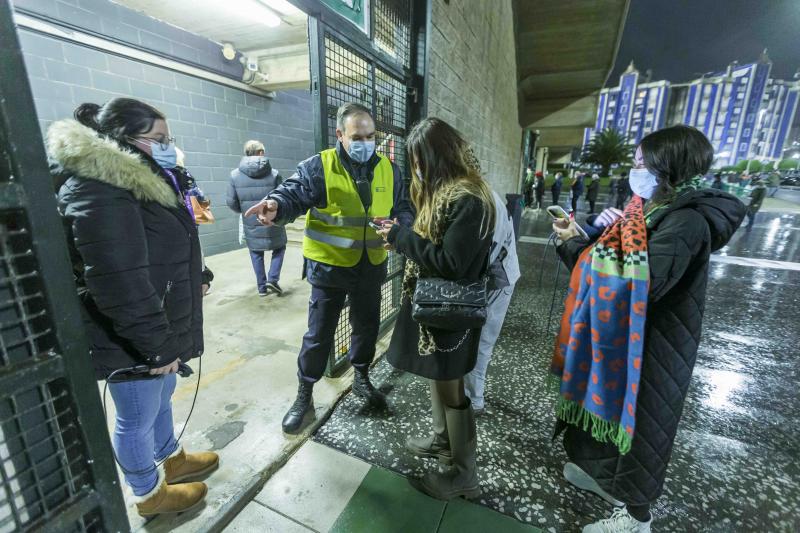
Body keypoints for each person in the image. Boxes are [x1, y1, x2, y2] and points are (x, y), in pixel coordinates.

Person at [551, 125, 745, 532]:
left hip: (655, 348)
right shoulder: (652, 208)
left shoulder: (686, 221)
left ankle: (637, 517)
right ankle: (606, 479)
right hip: (628, 338)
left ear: (666, 167)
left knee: (643, 429)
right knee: (614, 414)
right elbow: (622, 256)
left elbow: (636, 284)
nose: (635, 170)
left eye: (642, 162)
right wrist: (594, 233)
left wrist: (573, 246)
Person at [49, 98, 218, 516]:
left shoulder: (145, 179)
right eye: (159, 139)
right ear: (125, 141)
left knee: (162, 395)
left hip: (157, 320)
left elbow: (164, 242)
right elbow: (118, 279)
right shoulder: (101, 188)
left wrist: (197, 275)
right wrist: (156, 345)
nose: (168, 146)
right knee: (136, 414)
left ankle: (170, 458)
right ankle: (148, 493)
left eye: (169, 138)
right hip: (131, 333)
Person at [245, 103, 414, 433]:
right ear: (340, 135)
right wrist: (276, 205)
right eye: (357, 136)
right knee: (319, 334)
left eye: (370, 136)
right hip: (329, 268)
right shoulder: (319, 166)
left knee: (366, 326)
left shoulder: (389, 170)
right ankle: (304, 395)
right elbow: (293, 192)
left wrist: (401, 229)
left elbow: (403, 207)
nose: (366, 142)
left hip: (371, 265)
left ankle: (362, 377)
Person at [376, 117, 494, 500]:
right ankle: (444, 442)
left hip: (451, 312)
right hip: (440, 311)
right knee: (440, 378)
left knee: (451, 388)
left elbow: (451, 263)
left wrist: (400, 236)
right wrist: (403, 239)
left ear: (436, 157)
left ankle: (463, 474)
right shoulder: (450, 192)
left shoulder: (467, 199)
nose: (417, 169)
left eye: (419, 160)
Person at [463, 186, 521, 416]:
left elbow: (489, 252)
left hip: (499, 280)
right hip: (491, 277)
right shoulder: (477, 193)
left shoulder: (482, 200)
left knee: (482, 342)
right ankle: (468, 393)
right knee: (475, 341)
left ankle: (475, 401)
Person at [227, 140, 288, 296]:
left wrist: (246, 211)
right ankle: (272, 279)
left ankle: (262, 288)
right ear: (260, 153)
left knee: (256, 252)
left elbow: (231, 202)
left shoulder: (234, 175)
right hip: (272, 220)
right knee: (280, 247)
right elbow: (281, 198)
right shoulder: (274, 174)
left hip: (251, 220)